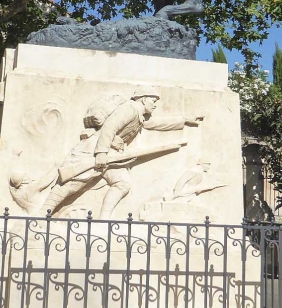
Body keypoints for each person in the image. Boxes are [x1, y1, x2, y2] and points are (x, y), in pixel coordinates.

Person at [43, 89, 202, 218]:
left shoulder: (138, 114)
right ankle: (41, 213)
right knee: (73, 183)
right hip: (94, 149)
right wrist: (101, 152)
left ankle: (104, 220)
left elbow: (153, 124)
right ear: (143, 99)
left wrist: (184, 119)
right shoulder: (129, 109)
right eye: (153, 101)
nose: (155, 105)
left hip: (111, 154)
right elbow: (110, 127)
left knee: (122, 183)